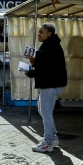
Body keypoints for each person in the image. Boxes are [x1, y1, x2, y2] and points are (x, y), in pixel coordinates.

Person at [25, 23, 67, 153]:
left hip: (51, 84)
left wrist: (32, 68)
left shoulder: (50, 46)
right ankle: (52, 138)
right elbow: (46, 65)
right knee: (43, 111)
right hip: (50, 84)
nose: (39, 34)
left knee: (46, 113)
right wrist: (35, 64)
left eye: (41, 32)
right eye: (39, 32)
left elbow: (46, 68)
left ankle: (48, 142)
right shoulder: (50, 45)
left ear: (49, 33)